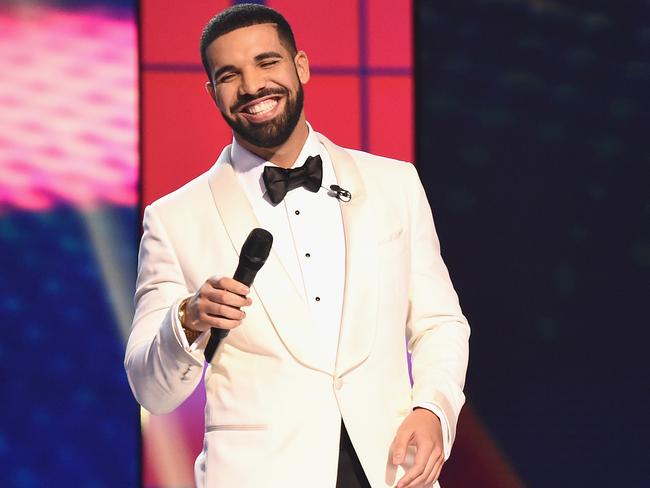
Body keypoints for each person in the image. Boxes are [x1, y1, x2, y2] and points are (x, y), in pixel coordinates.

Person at [124, 4, 469, 488]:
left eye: (267, 63)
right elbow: (149, 389)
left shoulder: (395, 184)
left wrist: (433, 408)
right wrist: (187, 319)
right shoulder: (174, 219)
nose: (251, 87)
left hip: (391, 468)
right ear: (212, 92)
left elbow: (440, 323)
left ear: (300, 66)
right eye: (230, 74)